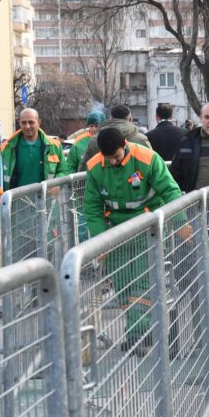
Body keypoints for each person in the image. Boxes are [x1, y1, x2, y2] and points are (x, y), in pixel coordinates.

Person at [83, 126, 183, 351]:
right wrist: (101, 242)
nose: (113, 162)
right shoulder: (95, 167)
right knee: (122, 285)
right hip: (116, 232)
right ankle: (140, 328)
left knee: (142, 283)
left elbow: (170, 191)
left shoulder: (147, 159)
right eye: (108, 158)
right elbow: (92, 206)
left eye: (116, 157)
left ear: (124, 146)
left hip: (147, 229)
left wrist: (181, 222)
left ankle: (138, 334)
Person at [0, 108, 68, 199]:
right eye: (24, 122)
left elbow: (63, 171)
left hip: (46, 203)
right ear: (19, 122)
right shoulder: (8, 147)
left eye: (31, 122)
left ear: (39, 123)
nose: (27, 126)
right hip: (17, 203)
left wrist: (57, 184)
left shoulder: (54, 146)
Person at [81, 104, 151, 166]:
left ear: (111, 118)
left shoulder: (94, 140)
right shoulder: (141, 139)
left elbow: (84, 166)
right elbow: (152, 163)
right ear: (130, 119)